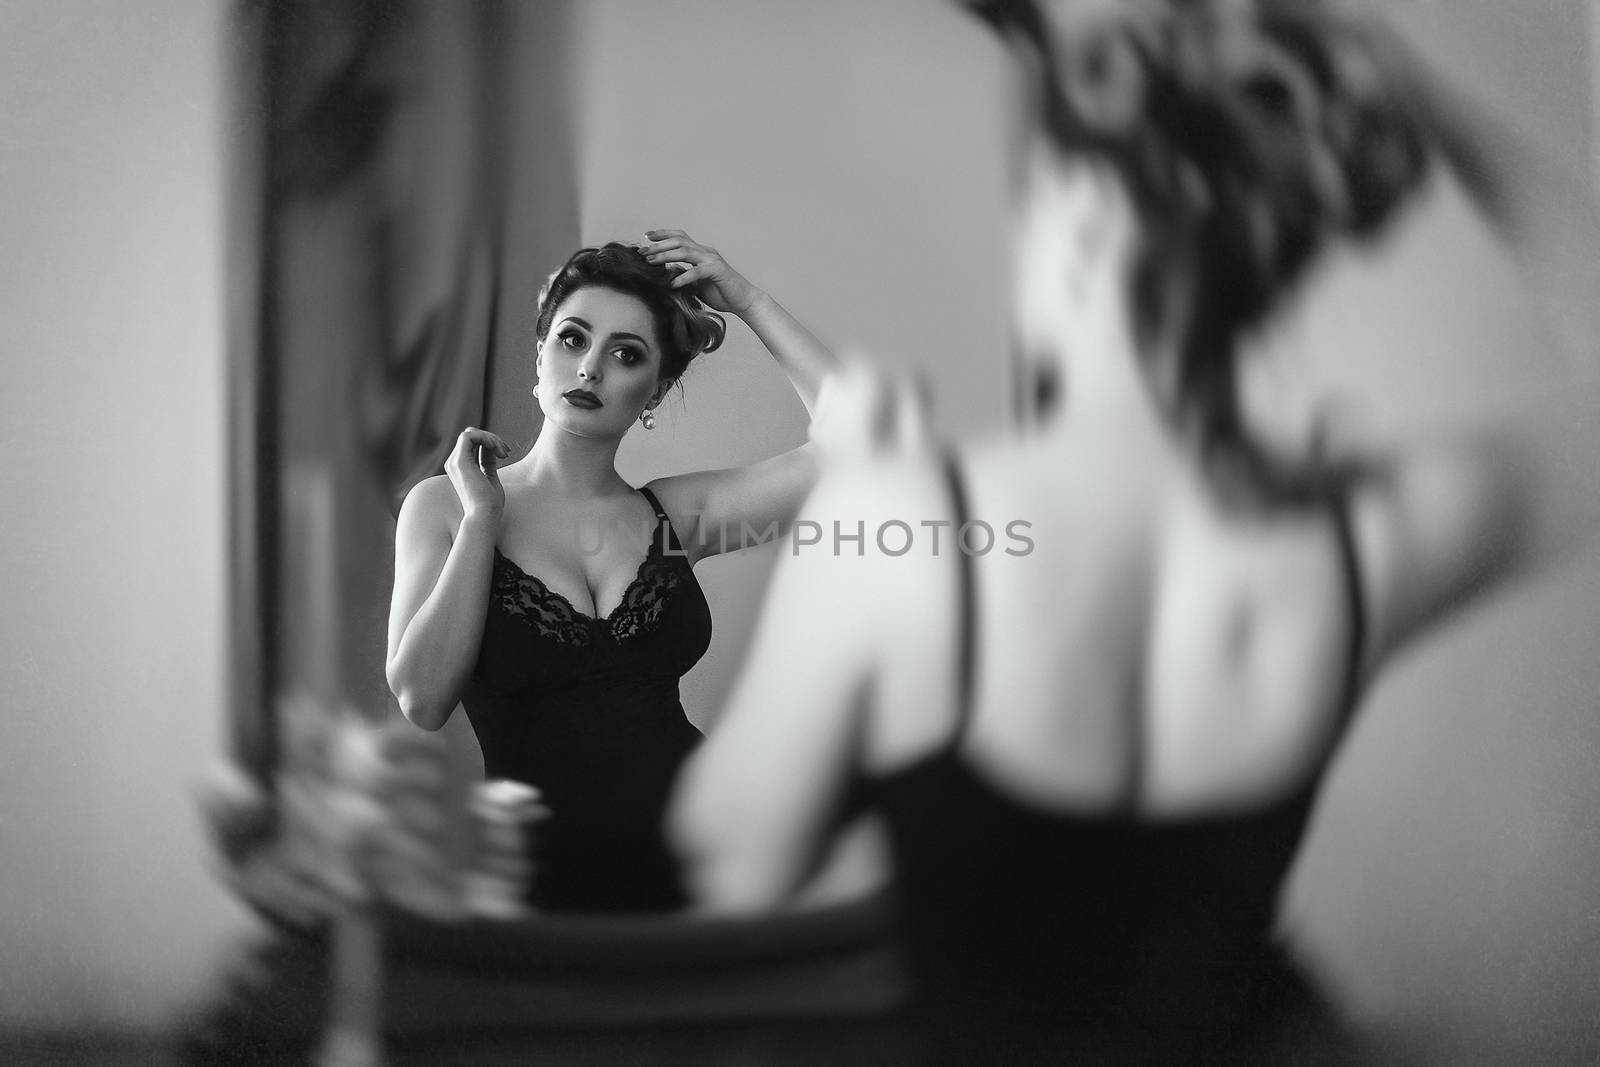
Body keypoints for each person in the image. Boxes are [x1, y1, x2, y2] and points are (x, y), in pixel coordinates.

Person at [670, 1, 1600, 1060]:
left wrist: (844, 519)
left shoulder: (902, 519)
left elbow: (743, 852)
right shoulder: (1366, 537)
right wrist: (1415, 100)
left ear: (1080, 218)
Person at [386, 232, 837, 912]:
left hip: (704, 876)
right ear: (538, 355)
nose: (591, 367)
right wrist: (484, 522)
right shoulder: (447, 507)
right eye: (572, 339)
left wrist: (747, 299)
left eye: (626, 354)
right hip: (540, 895)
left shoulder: (677, 518)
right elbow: (422, 697)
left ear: (654, 390)